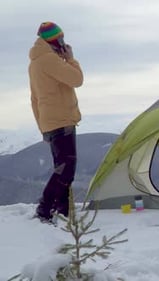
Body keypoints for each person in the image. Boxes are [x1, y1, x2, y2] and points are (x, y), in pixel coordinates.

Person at [28, 22, 84, 222]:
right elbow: (76, 79)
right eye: (61, 39)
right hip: (61, 120)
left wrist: (42, 127)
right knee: (65, 170)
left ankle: (62, 211)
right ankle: (44, 209)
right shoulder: (50, 60)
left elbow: (34, 99)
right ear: (55, 40)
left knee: (62, 168)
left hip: (51, 121)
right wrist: (71, 59)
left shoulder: (36, 62)